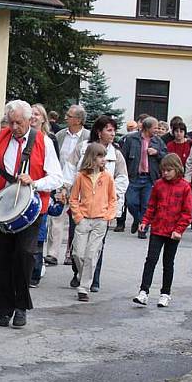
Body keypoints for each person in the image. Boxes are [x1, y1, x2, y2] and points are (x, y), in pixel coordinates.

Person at [0, 100, 62, 328]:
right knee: (1, 258)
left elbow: (57, 178)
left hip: (31, 209)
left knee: (23, 255)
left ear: (30, 120)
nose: (13, 127)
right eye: (10, 122)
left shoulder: (44, 142)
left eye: (18, 122)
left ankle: (21, 307)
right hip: (3, 207)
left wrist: (35, 181)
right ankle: (3, 309)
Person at [62, 115, 128, 291]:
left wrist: (110, 200)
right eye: (109, 130)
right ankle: (79, 273)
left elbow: (122, 178)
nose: (113, 133)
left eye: (114, 130)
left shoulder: (116, 155)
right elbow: (69, 169)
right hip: (80, 206)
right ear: (99, 132)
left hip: (101, 209)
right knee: (76, 246)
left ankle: (93, 279)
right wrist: (65, 188)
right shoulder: (83, 149)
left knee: (96, 247)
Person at [133, 154, 192, 308]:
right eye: (163, 170)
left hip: (173, 232)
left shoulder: (185, 187)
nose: (165, 173)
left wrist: (179, 229)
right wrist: (145, 221)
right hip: (158, 229)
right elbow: (151, 205)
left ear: (177, 169)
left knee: (168, 263)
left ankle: (165, 293)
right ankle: (143, 291)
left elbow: (187, 212)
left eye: (169, 170)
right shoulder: (158, 185)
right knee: (150, 260)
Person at [68, 143, 117, 302]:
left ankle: (84, 288)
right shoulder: (80, 176)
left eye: (104, 156)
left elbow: (112, 199)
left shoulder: (107, 177)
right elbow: (74, 198)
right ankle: (84, 278)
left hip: (100, 220)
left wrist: (108, 216)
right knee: (78, 253)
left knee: (91, 255)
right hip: (83, 219)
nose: (103, 160)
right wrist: (78, 217)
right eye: (100, 156)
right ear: (91, 158)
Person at [45, 104, 89, 268]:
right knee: (56, 218)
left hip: (79, 184)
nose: (65, 118)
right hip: (60, 182)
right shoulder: (60, 135)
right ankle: (52, 254)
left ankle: (71, 253)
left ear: (78, 120)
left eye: (69, 116)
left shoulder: (88, 137)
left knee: (75, 220)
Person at [30, 103, 61, 283]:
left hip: (41, 194)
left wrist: (53, 192)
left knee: (39, 233)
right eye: (31, 114)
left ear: (43, 119)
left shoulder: (48, 140)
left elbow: (54, 171)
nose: (33, 117)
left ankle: (35, 270)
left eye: (37, 114)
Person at [121, 116, 167, 239]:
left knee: (146, 205)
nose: (157, 130)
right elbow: (123, 157)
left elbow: (166, 156)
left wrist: (157, 153)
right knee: (131, 203)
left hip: (149, 178)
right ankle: (138, 219)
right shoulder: (132, 139)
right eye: (155, 127)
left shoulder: (158, 141)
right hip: (134, 177)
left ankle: (143, 228)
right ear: (147, 128)